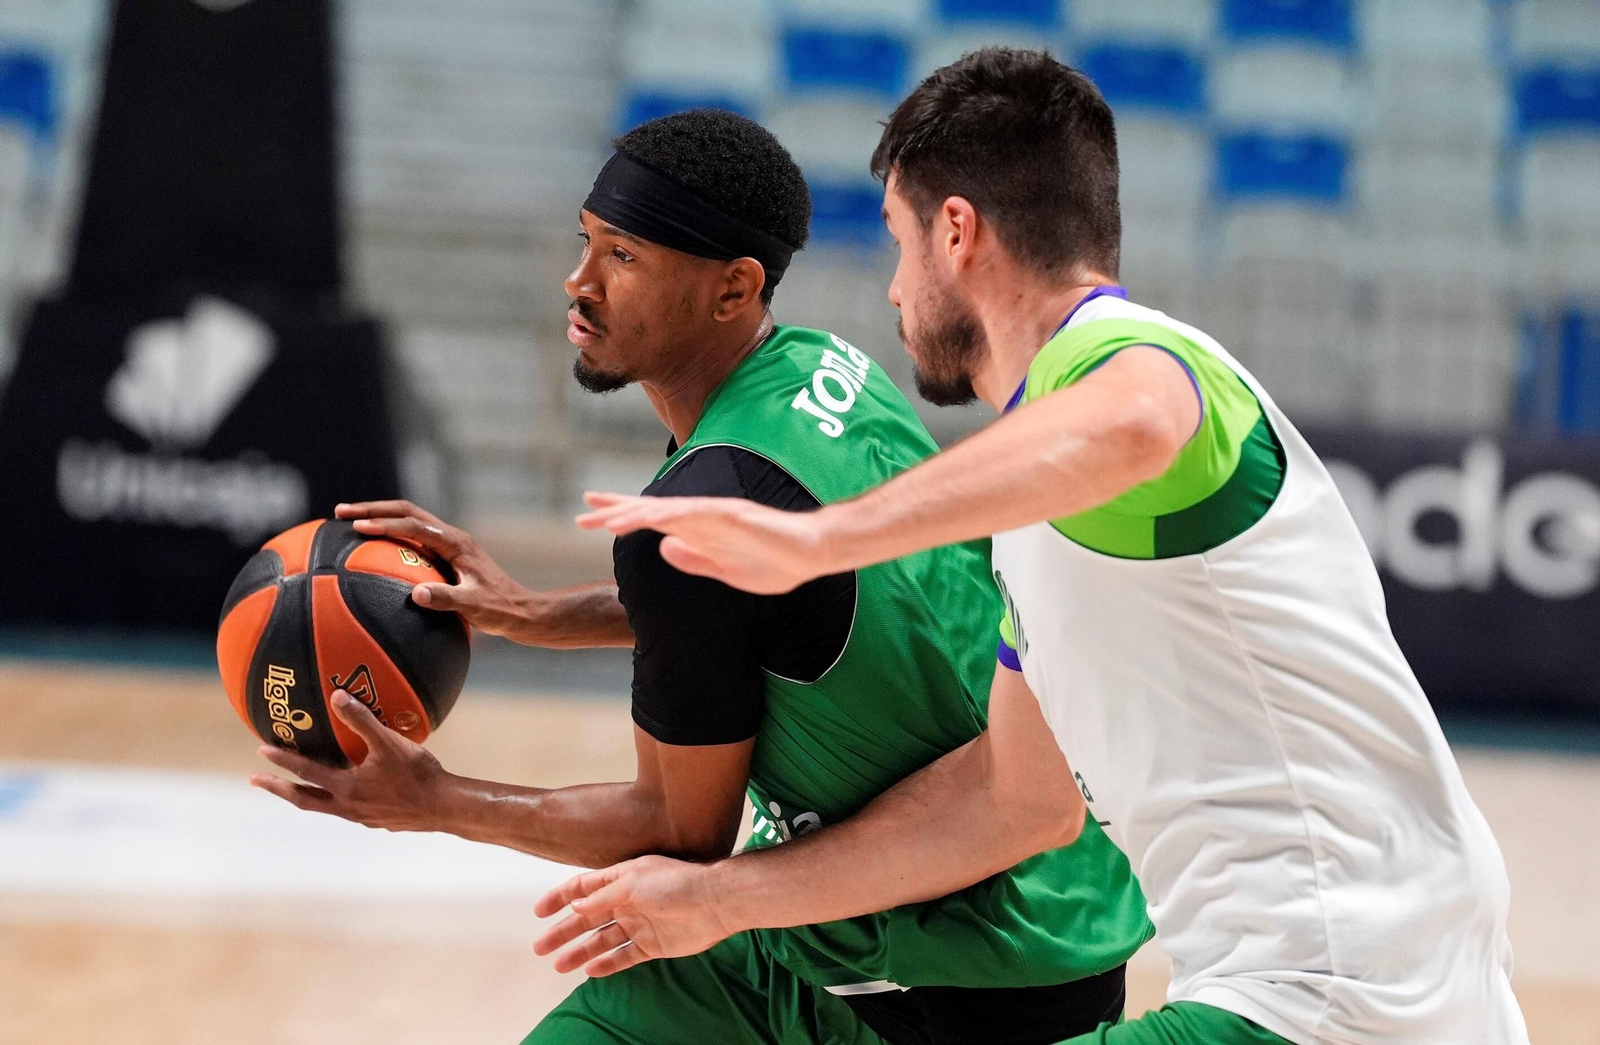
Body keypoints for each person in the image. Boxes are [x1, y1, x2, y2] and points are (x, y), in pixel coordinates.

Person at [539, 51, 1531, 1045]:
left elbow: (1137, 420)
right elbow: (1007, 804)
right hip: (1356, 979)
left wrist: (818, 539)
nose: (891, 291)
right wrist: (716, 902)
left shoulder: (1127, 359)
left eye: (899, 243)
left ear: (957, 233)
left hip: (1332, 991)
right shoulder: (1051, 498)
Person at [250, 108, 1151, 1045]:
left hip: (942, 981)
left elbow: (678, 833)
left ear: (733, 289)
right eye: (587, 242)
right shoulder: (828, 370)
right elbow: (777, 606)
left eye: (625, 258)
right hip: (1058, 908)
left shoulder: (699, 508)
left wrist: (436, 803)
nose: (580, 280)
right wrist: (537, 615)